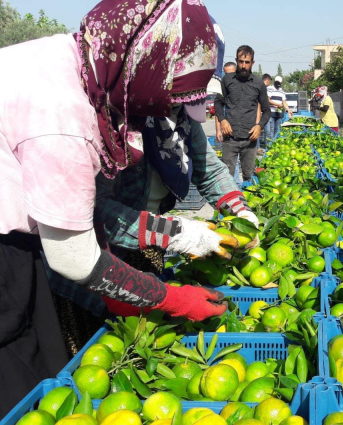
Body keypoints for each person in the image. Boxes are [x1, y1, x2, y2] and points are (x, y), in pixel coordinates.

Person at [0, 0, 230, 416]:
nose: (164, 111)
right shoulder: (61, 112)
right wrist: (169, 298)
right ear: (143, 64)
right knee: (24, 385)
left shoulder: (76, 60)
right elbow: (74, 258)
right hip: (10, 254)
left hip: (29, 247)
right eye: (167, 94)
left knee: (46, 369)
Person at [49, 104, 260, 318]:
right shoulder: (113, 119)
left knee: (152, 324)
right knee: (106, 331)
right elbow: (95, 210)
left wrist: (240, 210)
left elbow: (210, 171)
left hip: (147, 246)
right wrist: (175, 234)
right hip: (95, 256)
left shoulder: (183, 119)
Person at [215, 45, 270, 183]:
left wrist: (259, 126)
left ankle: (246, 202)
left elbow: (267, 111)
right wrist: (222, 120)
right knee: (227, 178)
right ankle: (230, 204)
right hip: (230, 138)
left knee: (248, 177)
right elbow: (218, 103)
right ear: (236, 60)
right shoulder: (227, 80)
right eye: (241, 61)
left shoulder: (258, 84)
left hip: (249, 139)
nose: (244, 66)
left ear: (252, 63)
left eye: (247, 62)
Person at [265, 75, 293, 143]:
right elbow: (268, 100)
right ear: (274, 82)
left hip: (278, 114)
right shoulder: (269, 89)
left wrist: (289, 110)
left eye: (279, 83)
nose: (277, 84)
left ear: (281, 83)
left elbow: (284, 102)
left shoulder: (282, 91)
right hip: (271, 113)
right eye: (276, 82)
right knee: (270, 131)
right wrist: (277, 104)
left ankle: (275, 145)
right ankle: (269, 146)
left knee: (277, 131)